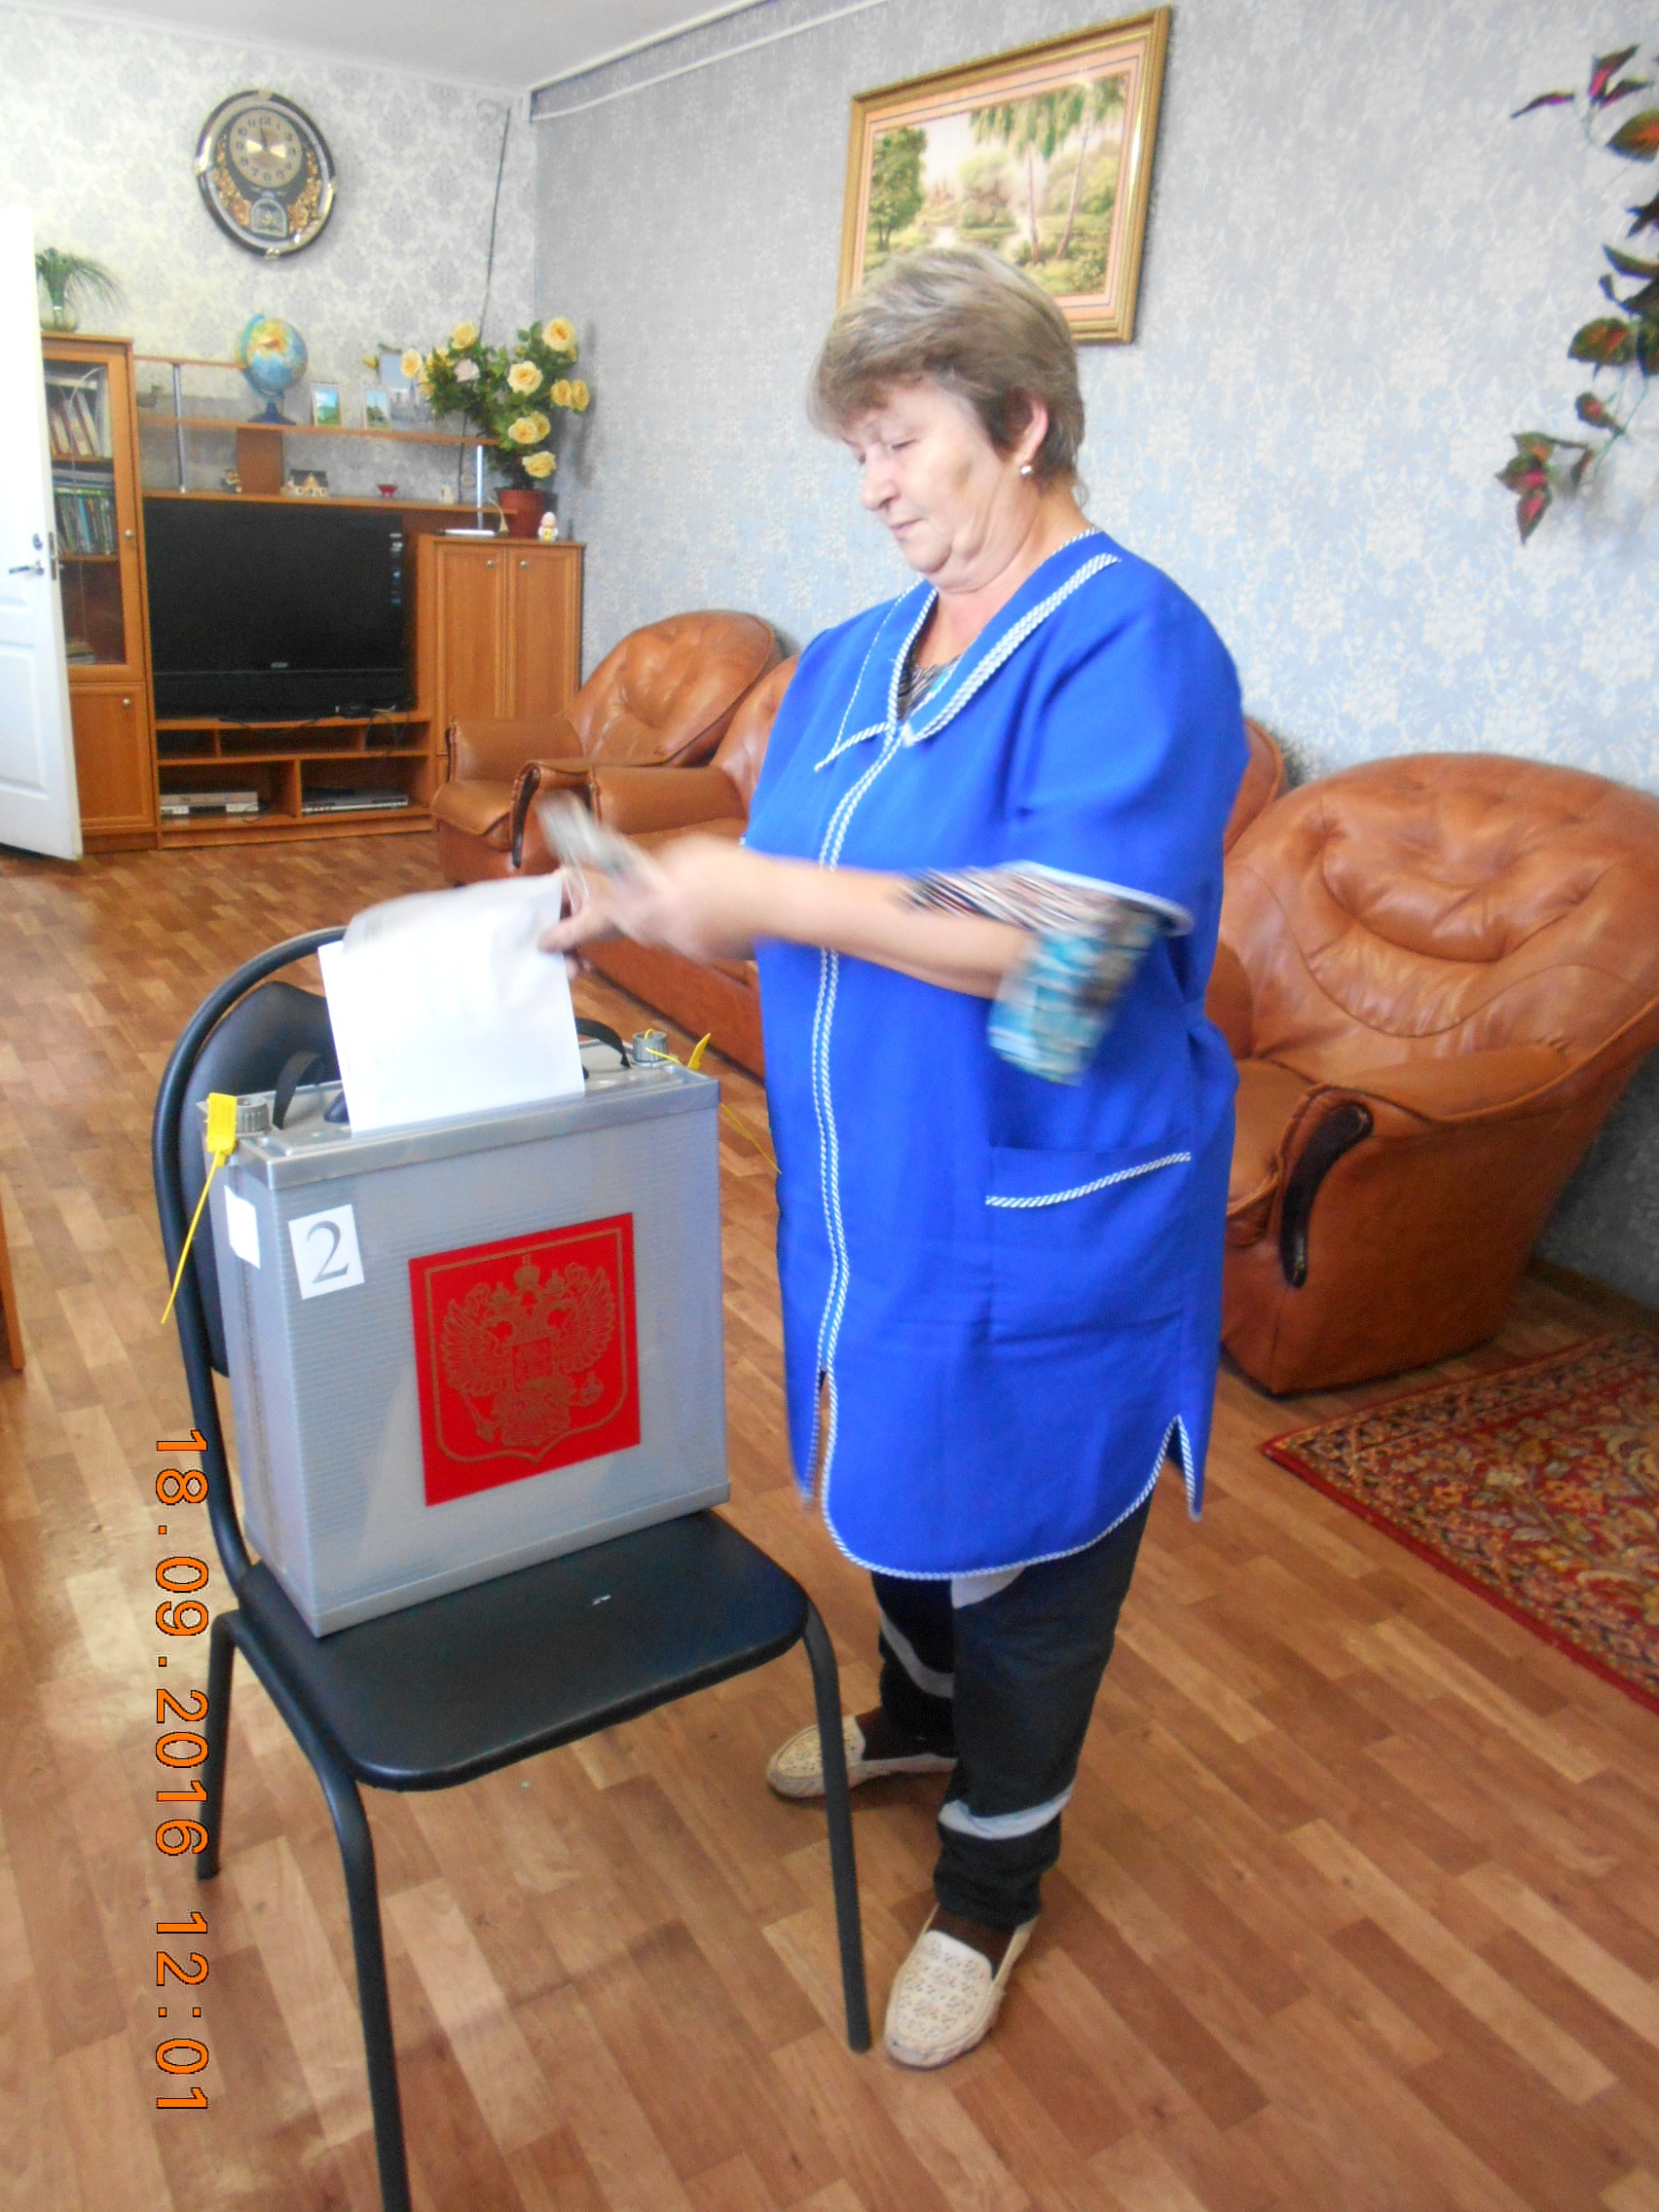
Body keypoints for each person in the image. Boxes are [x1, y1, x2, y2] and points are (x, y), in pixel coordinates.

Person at [541, 246, 1246, 2070]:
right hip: (874, 1185)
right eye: (855, 448)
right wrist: (645, 899)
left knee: (1040, 1554)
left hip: (1043, 1193)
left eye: (900, 440)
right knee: (902, 1478)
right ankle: (916, 1724)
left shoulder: (1133, 646)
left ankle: (995, 1883)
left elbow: (1063, 934)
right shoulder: (855, 657)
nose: (869, 485)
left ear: (1022, 426)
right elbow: (797, 894)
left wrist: (756, 889)